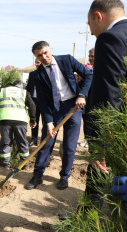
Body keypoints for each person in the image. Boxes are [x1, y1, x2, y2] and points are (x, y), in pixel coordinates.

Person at [24, 41, 92, 191]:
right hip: (54, 109)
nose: (44, 57)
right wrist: (48, 122)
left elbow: (88, 74)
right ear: (36, 57)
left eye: (45, 53)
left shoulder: (67, 60)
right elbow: (41, 100)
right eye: (39, 55)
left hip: (73, 106)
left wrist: (82, 95)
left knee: (69, 145)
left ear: (50, 50)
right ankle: (37, 175)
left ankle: (64, 176)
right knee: (46, 142)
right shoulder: (37, 75)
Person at [84, 0, 127, 208]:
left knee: (102, 176)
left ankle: (89, 221)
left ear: (98, 16)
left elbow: (109, 94)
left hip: (116, 134)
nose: (91, 30)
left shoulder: (110, 39)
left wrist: (100, 146)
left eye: (89, 24)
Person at [0, 79, 36, 169]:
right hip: (20, 120)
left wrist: (1, 110)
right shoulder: (24, 92)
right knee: (22, 142)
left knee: (6, 142)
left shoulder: (2, 90)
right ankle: (25, 165)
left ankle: (5, 165)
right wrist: (33, 119)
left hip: (5, 120)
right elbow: (32, 105)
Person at [77, 48, 95, 148]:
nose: (90, 58)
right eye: (89, 56)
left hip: (96, 100)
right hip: (86, 100)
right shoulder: (86, 70)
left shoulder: (102, 69)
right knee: (86, 120)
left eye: (93, 56)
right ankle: (87, 139)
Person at [26, 59, 41, 146]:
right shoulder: (32, 74)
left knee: (46, 122)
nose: (37, 64)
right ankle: (34, 139)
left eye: (39, 62)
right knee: (34, 120)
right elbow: (28, 87)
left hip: (44, 102)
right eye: (36, 62)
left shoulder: (47, 73)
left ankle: (43, 140)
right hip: (34, 101)